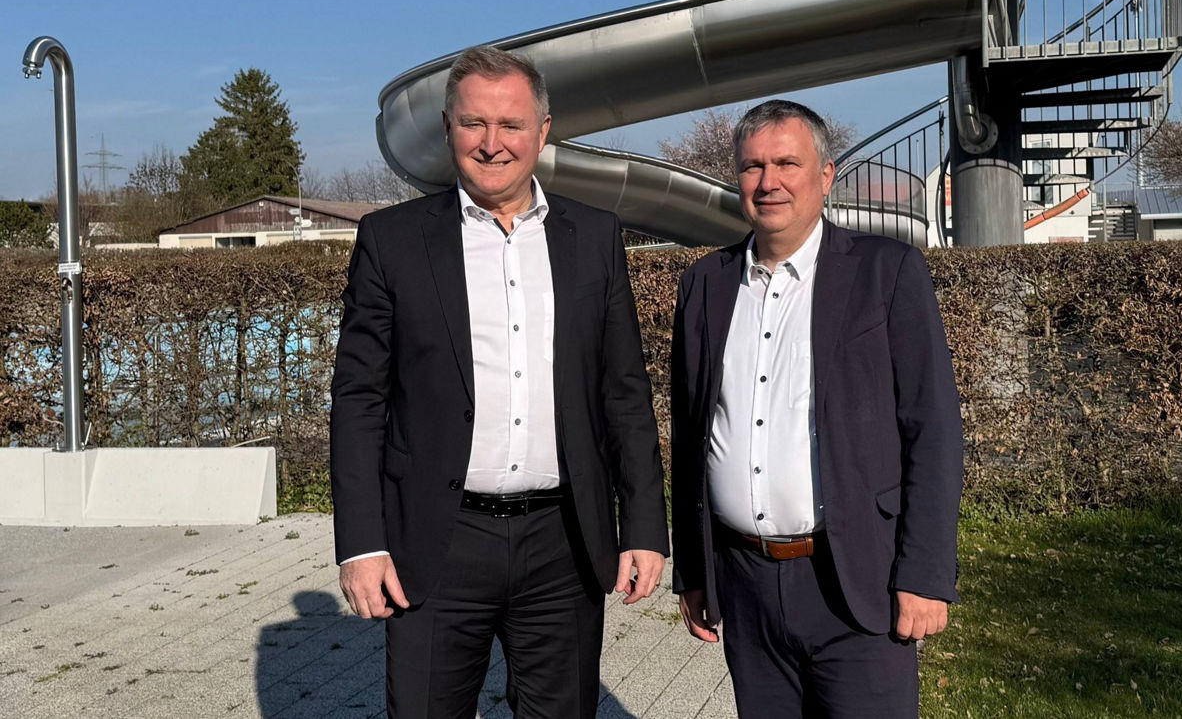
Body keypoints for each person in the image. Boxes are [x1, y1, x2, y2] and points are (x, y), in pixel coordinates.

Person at [330, 45, 669, 719]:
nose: (492, 144)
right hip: (437, 539)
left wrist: (645, 527)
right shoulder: (392, 241)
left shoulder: (594, 237)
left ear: (543, 132)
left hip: (564, 543)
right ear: (448, 129)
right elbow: (359, 400)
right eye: (473, 124)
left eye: (511, 124)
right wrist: (363, 544)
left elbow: (623, 393)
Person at [670, 100, 962, 718]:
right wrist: (693, 571)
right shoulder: (705, 284)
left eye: (786, 163)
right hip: (743, 584)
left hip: (855, 578)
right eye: (752, 166)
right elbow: (693, 432)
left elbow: (932, 431)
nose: (768, 182)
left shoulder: (885, 272)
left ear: (825, 176)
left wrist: (926, 575)